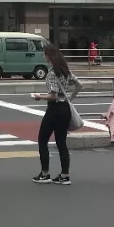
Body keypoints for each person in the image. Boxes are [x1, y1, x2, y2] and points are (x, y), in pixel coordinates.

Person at [31, 43, 80, 186]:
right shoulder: (65, 71)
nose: (43, 56)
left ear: (49, 56)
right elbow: (79, 85)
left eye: (44, 54)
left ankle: (44, 173)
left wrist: (39, 96)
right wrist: (70, 98)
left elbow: (53, 96)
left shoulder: (52, 73)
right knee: (61, 142)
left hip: (54, 110)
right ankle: (65, 175)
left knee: (42, 140)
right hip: (65, 109)